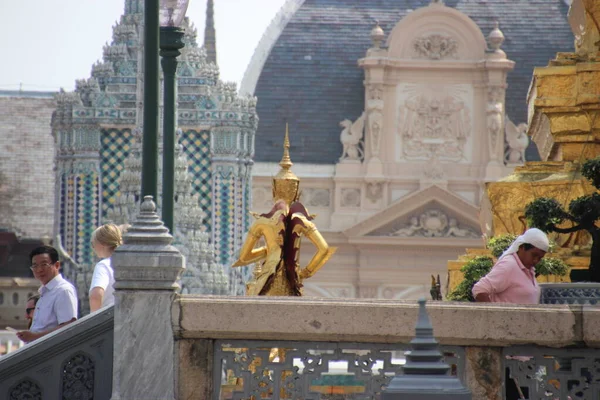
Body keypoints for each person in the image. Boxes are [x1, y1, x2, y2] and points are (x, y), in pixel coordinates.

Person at [16, 245, 78, 343]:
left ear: (57, 265)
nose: (39, 270)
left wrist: (34, 336)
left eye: (44, 264)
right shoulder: (45, 293)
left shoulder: (63, 290)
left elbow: (68, 327)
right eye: (35, 266)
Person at [473, 228, 549, 304]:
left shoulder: (529, 270)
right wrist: (494, 313)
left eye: (540, 258)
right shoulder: (509, 265)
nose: (536, 260)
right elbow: (479, 289)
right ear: (521, 247)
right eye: (534, 255)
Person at [89, 223, 122, 312]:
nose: (93, 248)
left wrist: (94, 321)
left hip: (109, 321)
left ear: (102, 244)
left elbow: (96, 295)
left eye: (93, 244)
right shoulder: (128, 263)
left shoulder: (103, 265)